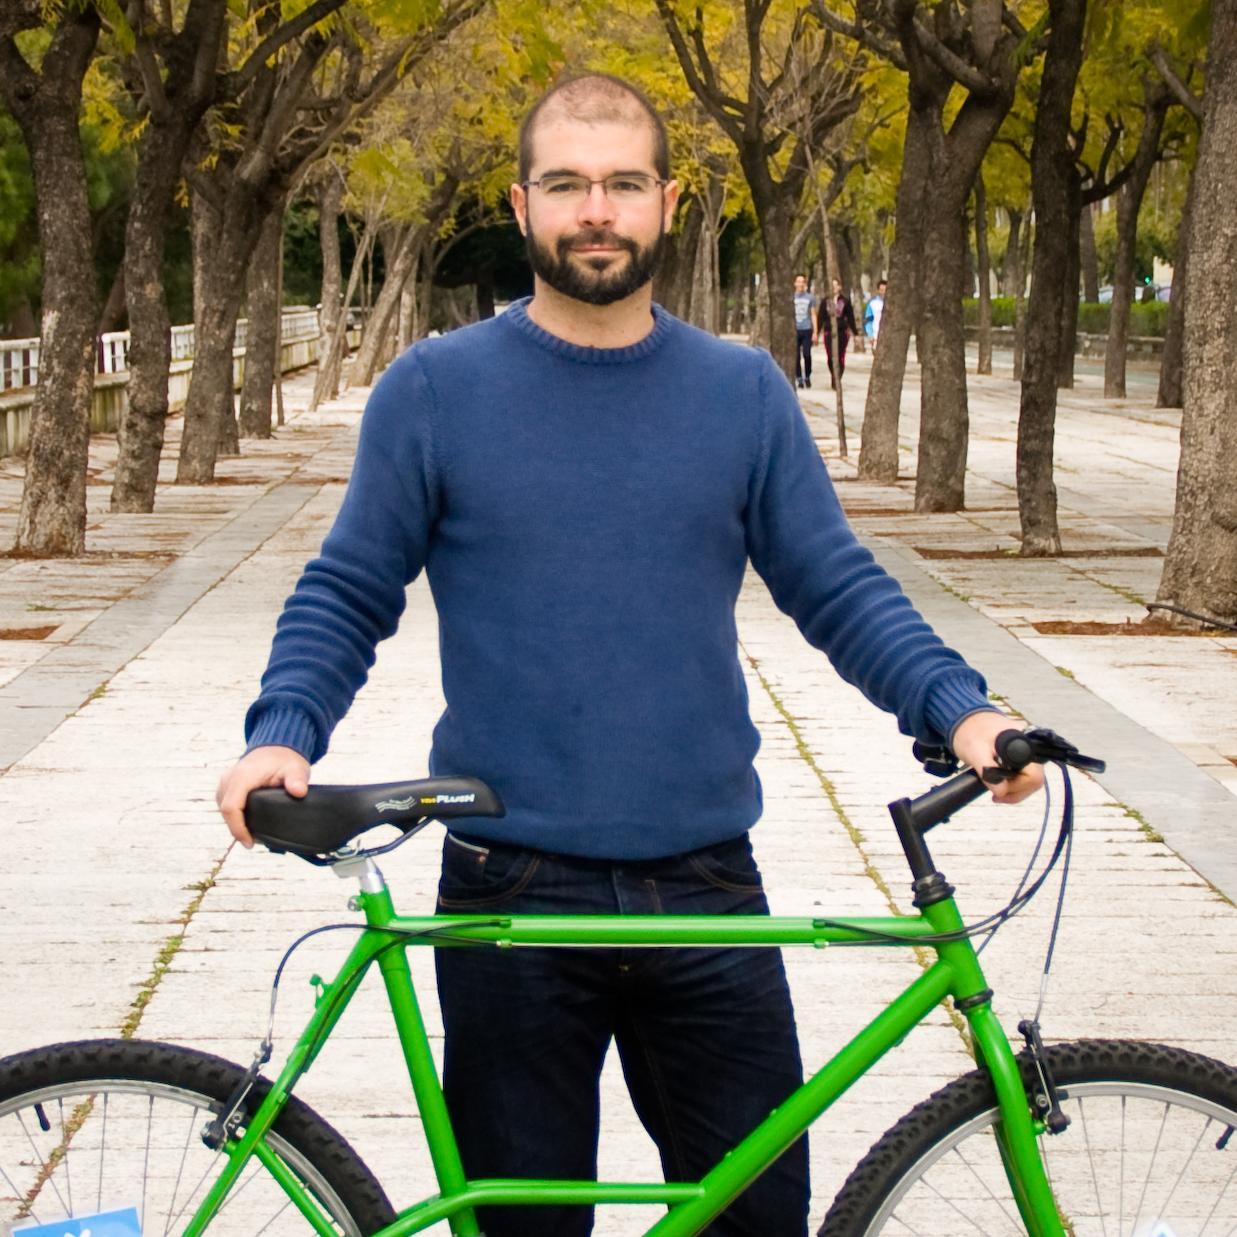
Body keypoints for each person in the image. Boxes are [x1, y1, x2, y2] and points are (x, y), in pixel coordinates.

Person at [216, 72, 1042, 1237]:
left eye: (620, 184)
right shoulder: (435, 391)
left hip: (707, 890)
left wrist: (961, 712)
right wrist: (279, 737)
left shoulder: (741, 392)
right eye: (565, 184)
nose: (594, 210)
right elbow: (347, 590)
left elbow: (838, 587)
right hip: (508, 894)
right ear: (520, 205)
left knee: (757, 1221)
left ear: (664, 203)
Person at [820, 277, 858, 386]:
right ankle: (833, 375)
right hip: (829, 331)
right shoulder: (825, 301)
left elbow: (850, 317)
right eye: (832, 285)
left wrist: (855, 334)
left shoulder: (845, 301)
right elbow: (820, 317)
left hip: (841, 332)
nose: (834, 287)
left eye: (836, 285)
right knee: (830, 357)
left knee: (840, 356)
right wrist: (816, 332)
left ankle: (838, 378)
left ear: (840, 287)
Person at [792, 273, 817, 389]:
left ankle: (807, 375)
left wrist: (815, 332)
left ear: (805, 284)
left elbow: (813, 314)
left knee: (807, 354)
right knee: (796, 355)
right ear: (795, 283)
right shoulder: (792, 297)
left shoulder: (810, 298)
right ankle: (799, 377)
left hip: (807, 329)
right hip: (795, 329)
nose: (801, 284)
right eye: (799, 281)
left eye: (803, 282)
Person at [864, 278, 887, 350]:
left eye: (885, 290)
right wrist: (870, 335)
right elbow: (868, 320)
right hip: (876, 336)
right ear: (878, 290)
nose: (883, 292)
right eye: (881, 290)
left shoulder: (893, 304)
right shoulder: (872, 303)